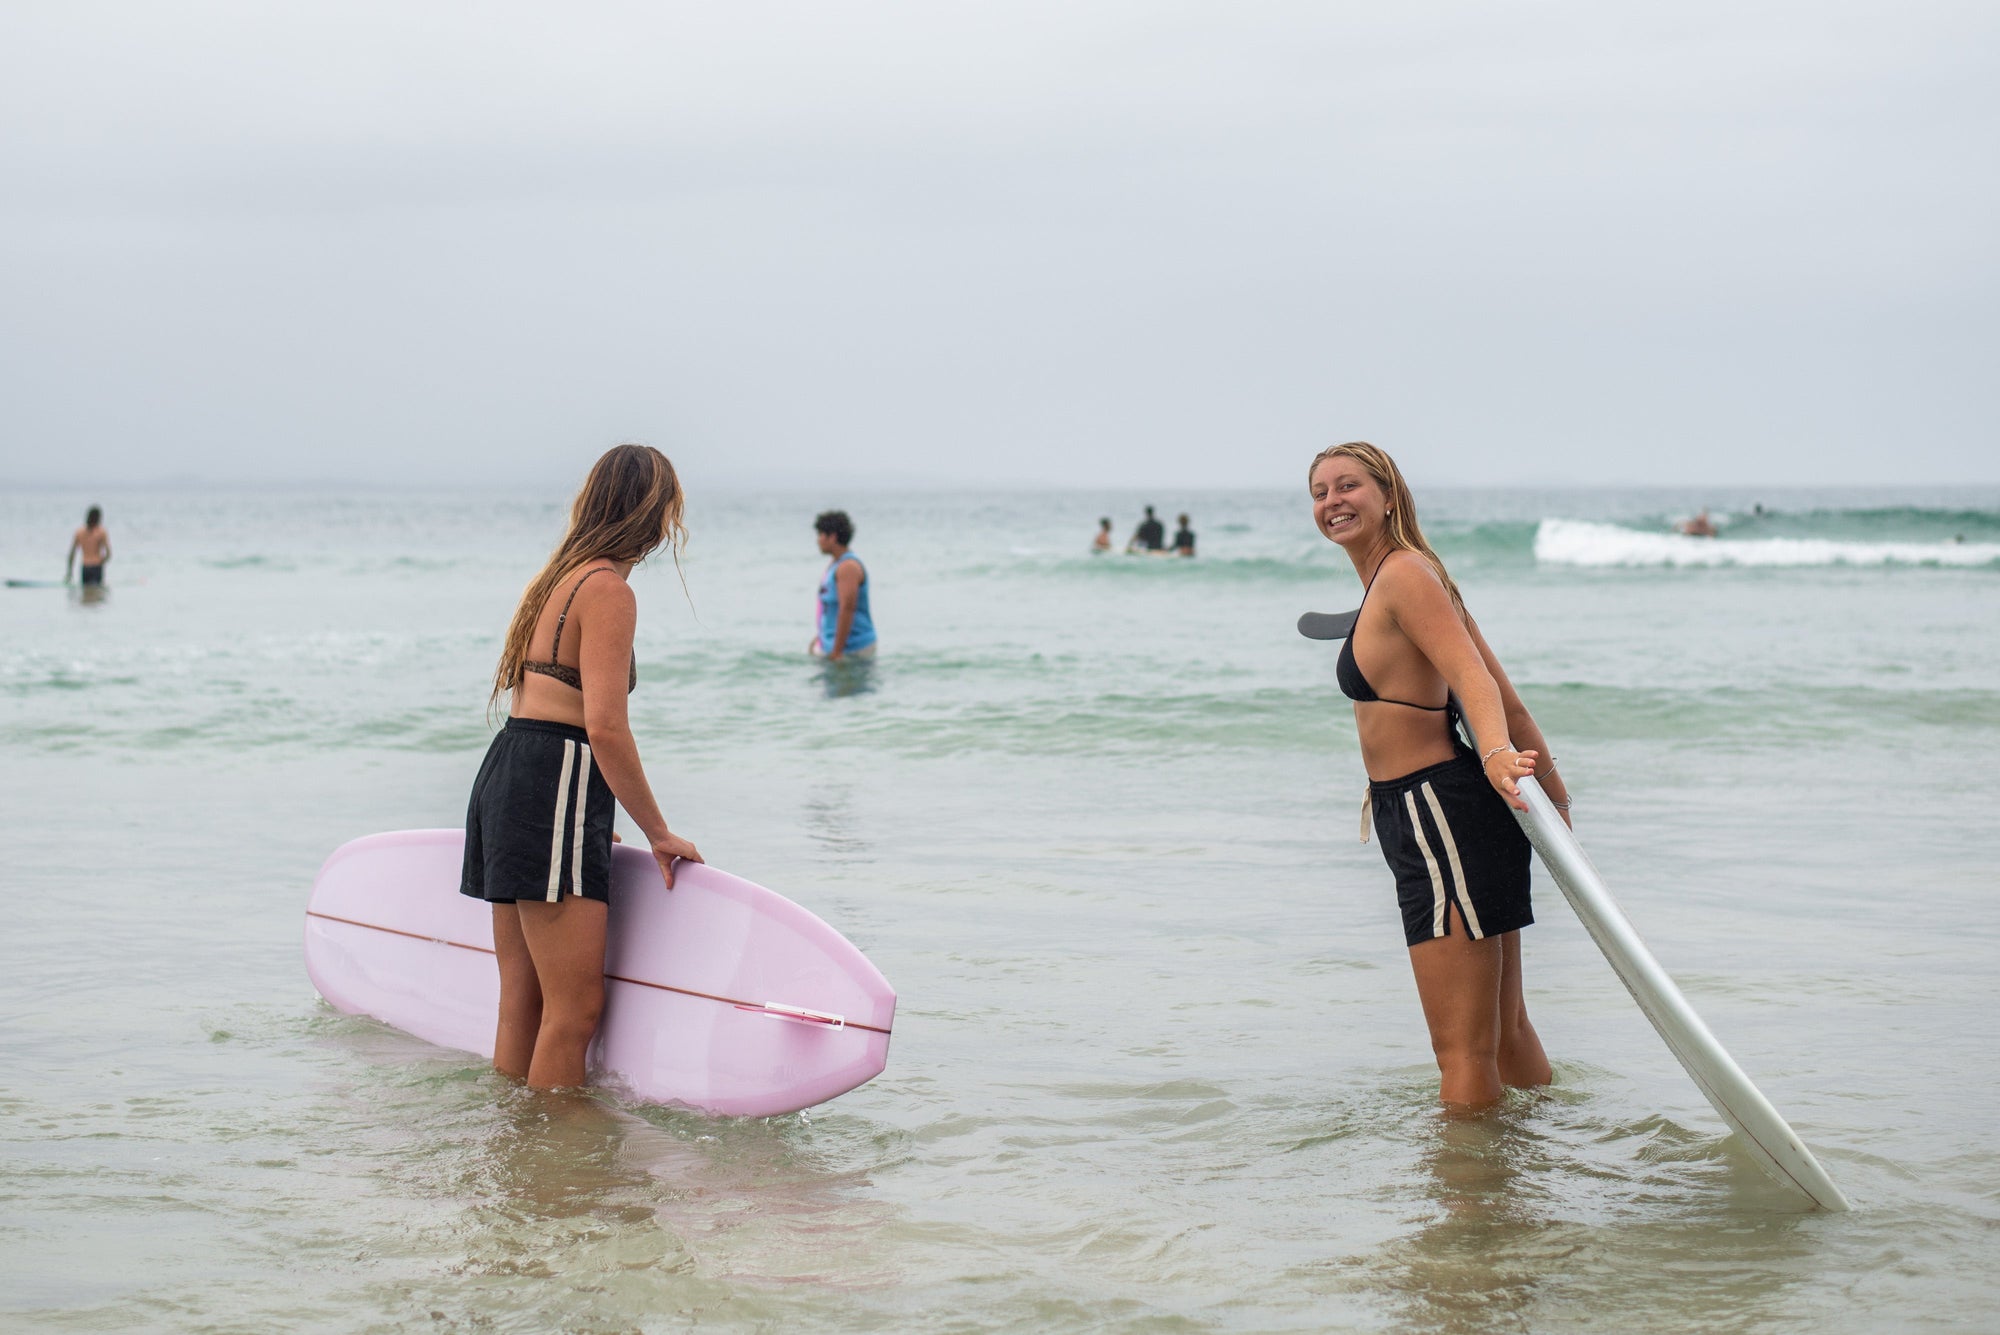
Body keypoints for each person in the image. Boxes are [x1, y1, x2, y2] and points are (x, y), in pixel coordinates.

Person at [1307, 441, 1571, 1108]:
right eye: (1319, 491)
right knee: (1503, 1034)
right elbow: (1506, 697)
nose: (1332, 500)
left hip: (1438, 814)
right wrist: (1556, 803)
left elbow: (1475, 683)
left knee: (1462, 1052)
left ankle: (1470, 1203)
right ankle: (1540, 1162)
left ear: (1388, 494)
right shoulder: (1414, 576)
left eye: (1348, 486)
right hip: (1447, 811)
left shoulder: (1403, 576)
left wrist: (1493, 757)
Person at [460, 444, 703, 1090]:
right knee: (574, 1011)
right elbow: (604, 726)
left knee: (524, 998)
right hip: (554, 779)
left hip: (513, 771)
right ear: (653, 515)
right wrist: (658, 830)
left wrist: (583, 822)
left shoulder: (554, 580)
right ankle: (558, 1169)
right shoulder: (609, 592)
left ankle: (515, 1151)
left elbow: (537, 707)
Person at [813, 510, 876, 660]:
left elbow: (847, 608)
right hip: (833, 644)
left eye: (821, 535)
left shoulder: (848, 567)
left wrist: (837, 651)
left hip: (853, 648)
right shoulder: (835, 564)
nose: (818, 540)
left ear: (832, 537)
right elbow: (830, 609)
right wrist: (819, 638)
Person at [67, 506, 112, 586]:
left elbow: (72, 554)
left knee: (86, 591)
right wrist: (102, 561)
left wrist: (69, 572)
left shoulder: (79, 532)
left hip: (85, 566)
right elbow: (108, 554)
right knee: (97, 591)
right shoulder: (101, 532)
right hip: (96, 566)